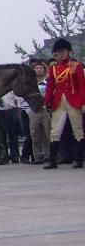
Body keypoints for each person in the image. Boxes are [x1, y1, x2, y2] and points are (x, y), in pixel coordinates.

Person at [43, 38, 84, 169]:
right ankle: (53, 161)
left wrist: (83, 102)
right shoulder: (54, 68)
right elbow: (50, 87)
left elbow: (82, 86)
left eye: (63, 51)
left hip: (74, 100)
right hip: (59, 102)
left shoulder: (76, 66)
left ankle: (78, 160)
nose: (61, 54)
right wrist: (47, 101)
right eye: (58, 52)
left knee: (77, 130)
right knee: (55, 131)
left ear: (68, 51)